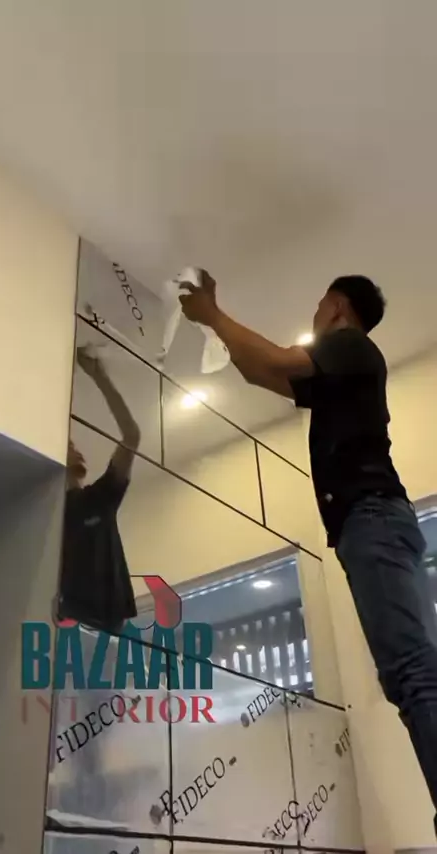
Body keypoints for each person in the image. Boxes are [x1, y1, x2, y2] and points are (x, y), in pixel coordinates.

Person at [179, 270, 437, 835]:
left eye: (320, 304)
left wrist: (213, 313)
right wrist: (213, 323)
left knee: (412, 673)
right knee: (411, 673)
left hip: (371, 517)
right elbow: (259, 370)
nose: (315, 313)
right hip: (376, 521)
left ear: (338, 307)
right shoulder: (341, 373)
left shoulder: (350, 346)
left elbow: (275, 357)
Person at [53, 344, 141, 820]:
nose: (76, 447)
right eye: (66, 444)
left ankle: (92, 796)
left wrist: (98, 375)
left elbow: (131, 434)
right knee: (75, 726)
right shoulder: (44, 518)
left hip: (109, 630)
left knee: (97, 726)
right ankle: (78, 794)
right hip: (73, 633)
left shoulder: (98, 499)